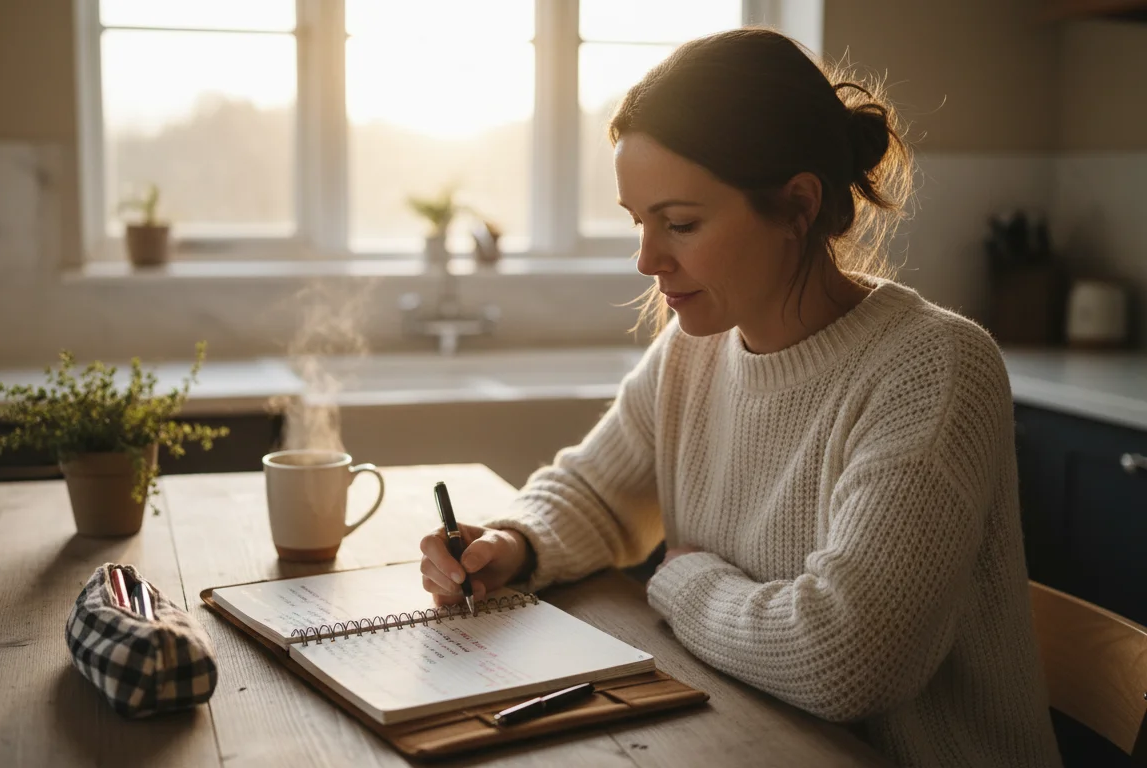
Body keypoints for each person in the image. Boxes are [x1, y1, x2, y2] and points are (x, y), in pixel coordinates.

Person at [417, 28, 1061, 768]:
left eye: (680, 224)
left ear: (796, 207)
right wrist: (512, 544)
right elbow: (595, 494)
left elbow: (846, 658)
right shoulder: (695, 348)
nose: (647, 259)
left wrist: (684, 581)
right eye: (639, 222)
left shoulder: (932, 367)